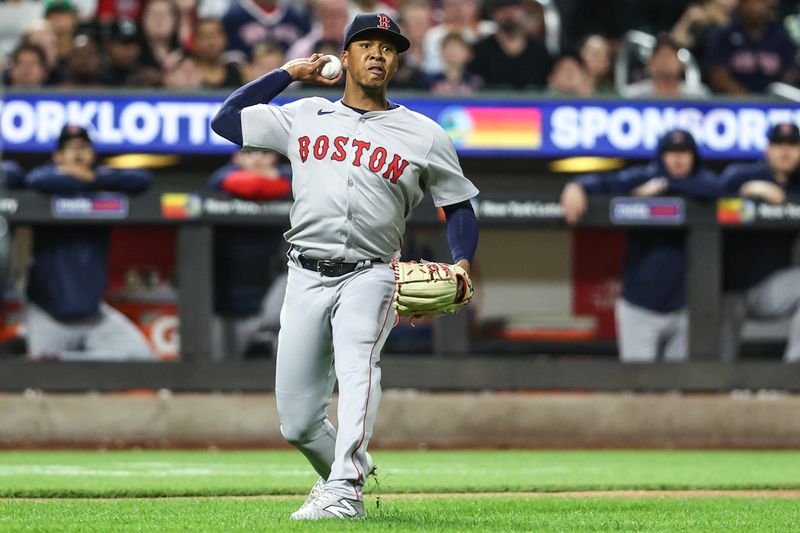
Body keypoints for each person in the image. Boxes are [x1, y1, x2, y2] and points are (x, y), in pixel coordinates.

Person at [212, 12, 479, 520]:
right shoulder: (304, 113)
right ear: (347, 54)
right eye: (367, 44)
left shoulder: (423, 134)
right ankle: (348, 469)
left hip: (372, 272)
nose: (378, 53)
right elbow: (225, 120)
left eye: (388, 46)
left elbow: (459, 207)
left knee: (359, 368)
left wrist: (462, 262)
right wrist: (289, 73)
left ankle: (345, 489)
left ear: (397, 60)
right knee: (297, 424)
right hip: (304, 274)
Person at [560, 129, 719, 362]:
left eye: (684, 152)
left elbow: (716, 188)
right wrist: (575, 186)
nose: (677, 158)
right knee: (638, 388)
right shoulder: (643, 177)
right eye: (671, 152)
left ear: (693, 156)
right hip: (640, 308)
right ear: (661, 156)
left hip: (685, 309)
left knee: (681, 392)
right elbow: (603, 182)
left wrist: (663, 188)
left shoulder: (703, 181)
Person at [23, 125, 155, 361]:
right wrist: (87, 179)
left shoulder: (101, 179)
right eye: (71, 148)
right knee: (40, 383)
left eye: (84, 147)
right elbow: (35, 179)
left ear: (93, 154)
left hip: (93, 315)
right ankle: (57, 361)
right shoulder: (46, 180)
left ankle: (63, 360)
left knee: (140, 355)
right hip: (49, 315)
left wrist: (94, 177)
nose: (78, 153)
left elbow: (142, 180)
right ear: (57, 156)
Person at [719, 122, 800, 362]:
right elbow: (711, 193)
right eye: (778, 145)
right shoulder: (742, 175)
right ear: (767, 149)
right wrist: (750, 189)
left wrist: (788, 200)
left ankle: (791, 377)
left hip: (769, 287)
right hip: (727, 289)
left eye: (792, 146)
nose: (785, 152)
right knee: (723, 361)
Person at [208, 150, 291, 360]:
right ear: (236, 157)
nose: (255, 159)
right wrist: (269, 180)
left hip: (266, 301)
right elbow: (250, 186)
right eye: (248, 154)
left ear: (273, 157)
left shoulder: (290, 174)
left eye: (263, 154)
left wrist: (274, 180)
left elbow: (291, 179)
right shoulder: (220, 176)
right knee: (221, 368)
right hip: (223, 304)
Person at [706, 0, 798, 94]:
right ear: (740, 5)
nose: (754, 7)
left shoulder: (781, 35)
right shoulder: (725, 35)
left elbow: (790, 72)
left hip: (775, 100)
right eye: (749, 2)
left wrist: (777, 93)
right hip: (733, 101)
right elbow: (717, 75)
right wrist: (748, 99)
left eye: (760, 2)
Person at [467, 0, 552, 90]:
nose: (509, 13)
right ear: (492, 14)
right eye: (502, 8)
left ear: (523, 11)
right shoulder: (478, 52)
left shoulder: (540, 53)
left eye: (514, 7)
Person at [622, 32, 710, 98]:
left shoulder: (698, 96)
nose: (665, 60)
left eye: (670, 55)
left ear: (681, 64)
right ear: (650, 64)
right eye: (660, 56)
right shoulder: (633, 96)